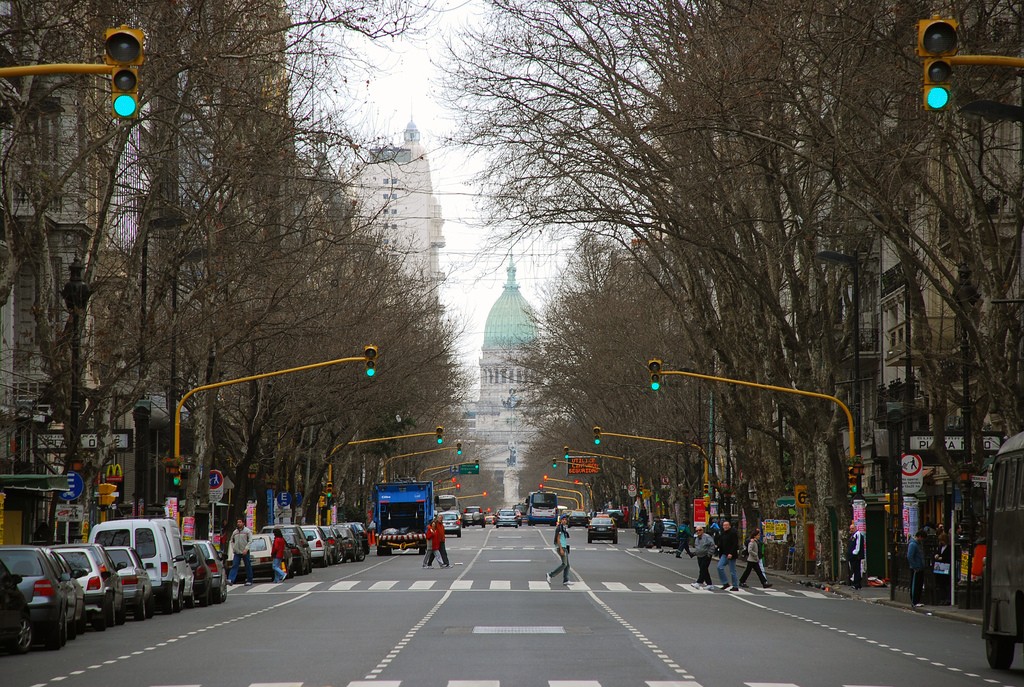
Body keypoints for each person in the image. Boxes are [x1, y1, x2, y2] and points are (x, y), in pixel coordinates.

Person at [227, 518, 254, 586]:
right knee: (235, 565)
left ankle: (249, 580)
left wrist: (246, 549)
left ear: (243, 523)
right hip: (237, 552)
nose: (238, 523)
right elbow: (232, 540)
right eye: (237, 522)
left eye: (240, 522)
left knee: (247, 565)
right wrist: (234, 548)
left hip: (245, 551)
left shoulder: (247, 531)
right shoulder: (235, 532)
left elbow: (250, 541)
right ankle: (231, 579)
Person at [547, 513, 571, 585]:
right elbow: (558, 539)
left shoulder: (563, 527)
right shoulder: (559, 528)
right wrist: (560, 549)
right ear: (560, 520)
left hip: (564, 547)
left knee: (567, 565)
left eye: (565, 520)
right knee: (564, 564)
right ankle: (550, 575)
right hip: (561, 547)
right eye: (563, 519)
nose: (564, 521)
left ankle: (566, 580)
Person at [716, 519, 740, 591]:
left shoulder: (733, 533)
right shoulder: (722, 533)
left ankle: (735, 586)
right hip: (724, 554)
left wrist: (731, 553)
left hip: (731, 555)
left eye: (727, 525)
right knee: (719, 567)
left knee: (732, 571)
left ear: (729, 526)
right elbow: (721, 543)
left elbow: (735, 544)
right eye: (724, 525)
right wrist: (717, 548)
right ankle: (725, 583)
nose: (725, 526)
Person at [691, 525, 716, 589]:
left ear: (702, 530)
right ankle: (709, 584)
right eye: (697, 530)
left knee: (703, 569)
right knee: (704, 570)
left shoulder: (707, 537)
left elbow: (712, 545)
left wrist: (709, 554)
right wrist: (695, 553)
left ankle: (699, 582)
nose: (698, 531)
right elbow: (697, 547)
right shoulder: (696, 538)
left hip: (706, 555)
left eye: (700, 530)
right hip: (699, 556)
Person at [908, 529, 927, 607]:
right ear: (919, 536)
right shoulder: (913, 544)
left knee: (919, 584)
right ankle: (914, 601)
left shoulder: (918, 544)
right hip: (916, 568)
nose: (922, 540)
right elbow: (910, 556)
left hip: (920, 567)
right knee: (915, 584)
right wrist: (915, 566)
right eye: (922, 538)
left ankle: (917, 601)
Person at [933, 531, 951, 605]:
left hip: (946, 566)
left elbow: (949, 557)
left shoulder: (949, 548)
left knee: (947, 584)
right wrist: (936, 555)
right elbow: (936, 553)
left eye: (942, 541)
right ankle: (942, 598)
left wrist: (942, 558)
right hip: (940, 567)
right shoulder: (940, 547)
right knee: (941, 584)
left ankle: (947, 599)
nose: (941, 542)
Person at [847, 521, 865, 590]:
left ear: (855, 528)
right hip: (852, 556)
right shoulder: (853, 536)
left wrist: (854, 553)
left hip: (856, 556)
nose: (851, 530)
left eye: (852, 528)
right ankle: (856, 583)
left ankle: (856, 584)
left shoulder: (858, 534)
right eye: (850, 528)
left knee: (857, 569)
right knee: (854, 570)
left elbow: (858, 545)